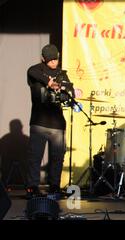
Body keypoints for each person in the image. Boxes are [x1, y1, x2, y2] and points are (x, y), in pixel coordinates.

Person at [26, 44, 73, 199]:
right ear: (43, 59)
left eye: (56, 59)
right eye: (50, 60)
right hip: (39, 122)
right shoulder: (35, 70)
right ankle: (32, 187)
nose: (54, 63)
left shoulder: (61, 73)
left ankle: (54, 186)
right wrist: (50, 82)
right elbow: (32, 73)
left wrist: (70, 91)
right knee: (35, 156)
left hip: (57, 123)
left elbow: (68, 89)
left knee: (57, 157)